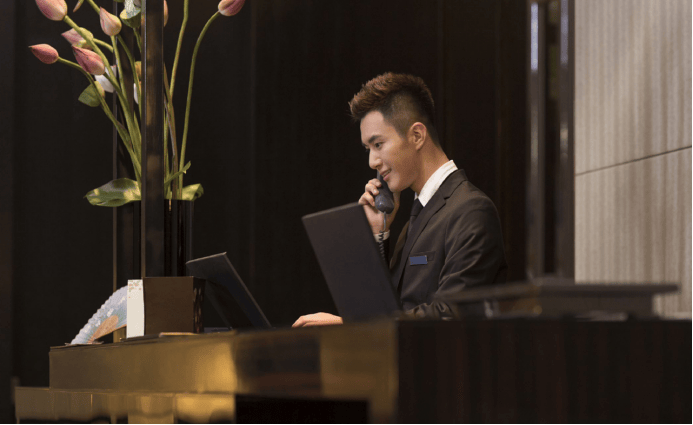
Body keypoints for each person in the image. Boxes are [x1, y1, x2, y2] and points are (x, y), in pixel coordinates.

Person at [293, 73, 507, 327]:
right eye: (368, 149)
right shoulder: (416, 219)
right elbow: (383, 310)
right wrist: (378, 234)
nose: (372, 161)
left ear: (416, 135)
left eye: (378, 144)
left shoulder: (471, 210)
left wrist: (348, 326)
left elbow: (450, 315)